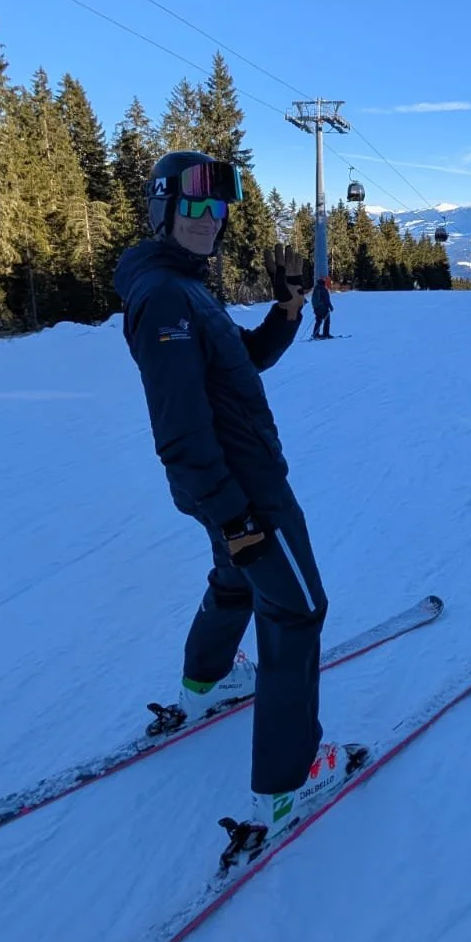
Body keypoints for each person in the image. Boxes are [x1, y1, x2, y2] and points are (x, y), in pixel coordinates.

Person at [113, 150, 364, 851]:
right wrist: (237, 517)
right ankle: (290, 780)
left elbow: (244, 359)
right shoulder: (167, 298)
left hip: (224, 486)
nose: (208, 218)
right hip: (242, 488)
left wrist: (288, 309)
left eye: (218, 207)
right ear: (163, 208)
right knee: (297, 608)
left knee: (236, 577)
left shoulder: (184, 287)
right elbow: (179, 429)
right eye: (193, 205)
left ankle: (209, 681)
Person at [311, 275, 334, 339]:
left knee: (318, 321)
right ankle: (326, 334)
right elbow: (326, 299)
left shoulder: (316, 289)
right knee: (327, 321)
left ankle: (315, 334)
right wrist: (330, 307)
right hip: (323, 308)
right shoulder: (323, 289)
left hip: (316, 308)